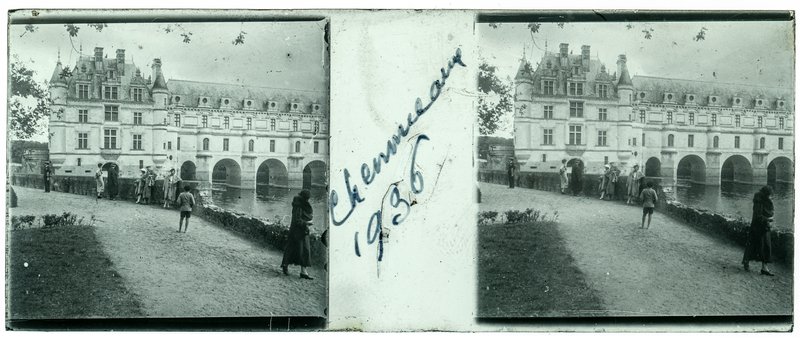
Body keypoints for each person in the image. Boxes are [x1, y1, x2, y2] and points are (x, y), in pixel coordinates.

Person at [742, 186, 776, 276]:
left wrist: (769, 219)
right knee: (753, 245)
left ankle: (764, 268)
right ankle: (746, 261)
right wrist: (768, 219)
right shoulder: (758, 201)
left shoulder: (766, 201)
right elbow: (758, 215)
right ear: (766, 195)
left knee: (766, 247)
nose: (771, 197)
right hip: (757, 227)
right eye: (770, 195)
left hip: (764, 227)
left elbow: (769, 212)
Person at [281, 189, 315, 280]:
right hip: (296, 231)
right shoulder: (298, 206)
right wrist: (308, 222)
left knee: (305, 251)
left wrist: (306, 224)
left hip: (303, 231)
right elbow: (297, 220)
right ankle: (285, 265)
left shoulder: (300, 204)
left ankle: (303, 272)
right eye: (307, 199)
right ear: (305, 198)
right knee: (292, 249)